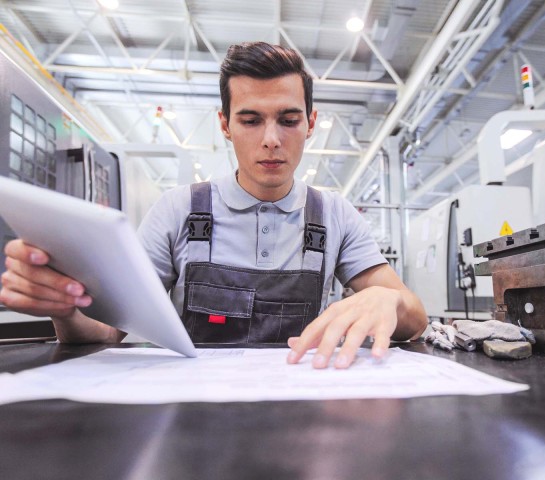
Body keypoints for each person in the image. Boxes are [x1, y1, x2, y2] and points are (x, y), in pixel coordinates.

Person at [0, 42, 427, 369]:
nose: (271, 139)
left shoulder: (336, 216)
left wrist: (389, 302)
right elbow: (107, 331)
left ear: (311, 123)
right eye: (250, 119)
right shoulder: (178, 211)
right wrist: (65, 307)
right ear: (225, 124)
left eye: (289, 119)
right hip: (195, 419)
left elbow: (415, 318)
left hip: (301, 410)